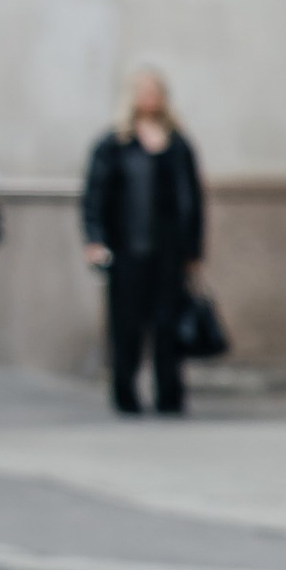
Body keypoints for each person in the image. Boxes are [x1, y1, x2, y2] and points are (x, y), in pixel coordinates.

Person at [81, 69, 205, 416]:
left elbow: (192, 201)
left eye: (154, 91)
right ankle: (125, 393)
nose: (149, 98)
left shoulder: (177, 144)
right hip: (126, 249)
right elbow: (95, 195)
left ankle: (170, 394)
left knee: (168, 323)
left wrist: (194, 250)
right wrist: (95, 238)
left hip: (168, 252)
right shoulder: (114, 143)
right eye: (143, 91)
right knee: (126, 325)